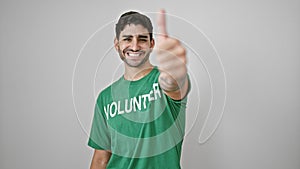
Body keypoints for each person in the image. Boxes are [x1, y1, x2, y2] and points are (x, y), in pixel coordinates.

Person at [88, 9, 190, 169]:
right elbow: (101, 159)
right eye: (127, 39)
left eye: (142, 39)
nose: (135, 46)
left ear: (152, 44)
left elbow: (173, 83)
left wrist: (175, 71)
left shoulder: (163, 80)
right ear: (117, 44)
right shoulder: (105, 98)